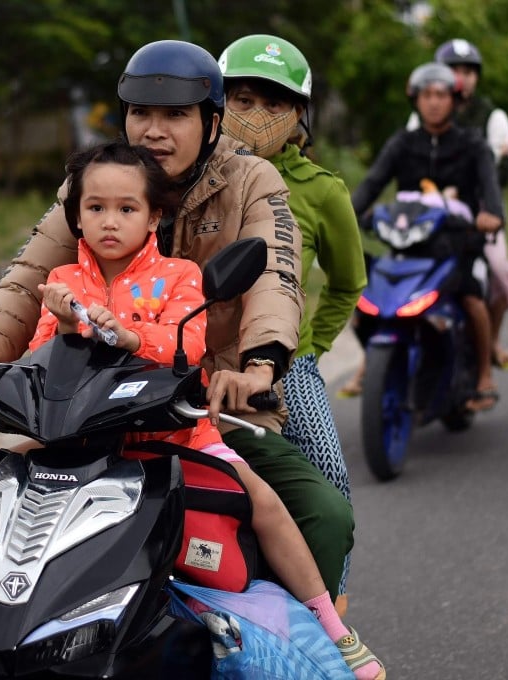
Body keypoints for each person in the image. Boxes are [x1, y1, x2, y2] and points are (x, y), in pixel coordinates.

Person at [0, 40, 359, 623]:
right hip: (90, 418)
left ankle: (306, 635)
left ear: (212, 122)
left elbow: (276, 275)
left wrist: (257, 367)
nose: (154, 131)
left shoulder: (253, 180)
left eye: (176, 115)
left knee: (323, 512)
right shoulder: (96, 180)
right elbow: (28, 277)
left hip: (207, 411)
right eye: (141, 113)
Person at [30, 139, 382, 677]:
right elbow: (39, 363)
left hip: (176, 432)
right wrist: (63, 328)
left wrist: (128, 336)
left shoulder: (180, 277)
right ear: (75, 215)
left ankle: (331, 625)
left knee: (260, 498)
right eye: (95, 208)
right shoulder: (61, 283)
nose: (109, 222)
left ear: (154, 216)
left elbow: (185, 347)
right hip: (88, 438)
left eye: (127, 209)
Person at [217, 34, 366, 599]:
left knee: (329, 491)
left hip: (281, 369)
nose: (257, 117)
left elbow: (349, 283)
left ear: (301, 116)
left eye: (275, 105)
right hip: (193, 356)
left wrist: (309, 349)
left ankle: (330, 611)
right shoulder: (190, 181)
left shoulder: (322, 192)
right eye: (244, 100)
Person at [350, 62, 506, 412]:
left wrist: (492, 215)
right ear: (415, 100)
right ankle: (375, 366)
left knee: (472, 300)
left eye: (440, 95)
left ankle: (483, 373)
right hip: (408, 248)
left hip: (458, 246)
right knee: (364, 304)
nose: (433, 102)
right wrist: (348, 213)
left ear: (454, 100)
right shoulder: (402, 144)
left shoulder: (473, 144)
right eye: (426, 95)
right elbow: (372, 184)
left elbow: (491, 190)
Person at [407, 39, 508, 371]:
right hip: (430, 210)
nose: (462, 76)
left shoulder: (492, 117)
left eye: (469, 71)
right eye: (455, 69)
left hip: (480, 212)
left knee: (500, 275)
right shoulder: (422, 115)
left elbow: (503, 171)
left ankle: (493, 342)